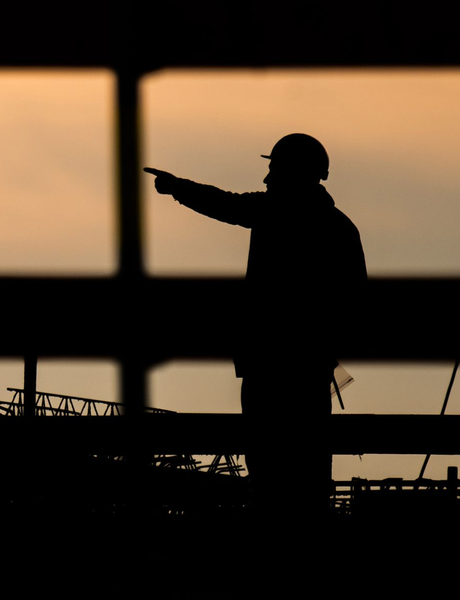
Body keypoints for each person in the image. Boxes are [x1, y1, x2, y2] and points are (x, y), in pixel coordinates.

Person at [145, 133, 367, 519]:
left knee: (268, 473)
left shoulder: (273, 212)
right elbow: (356, 301)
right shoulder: (339, 228)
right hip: (309, 370)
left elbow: (225, 204)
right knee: (307, 470)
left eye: (274, 169)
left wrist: (178, 187)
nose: (266, 178)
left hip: (270, 367)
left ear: (294, 173)